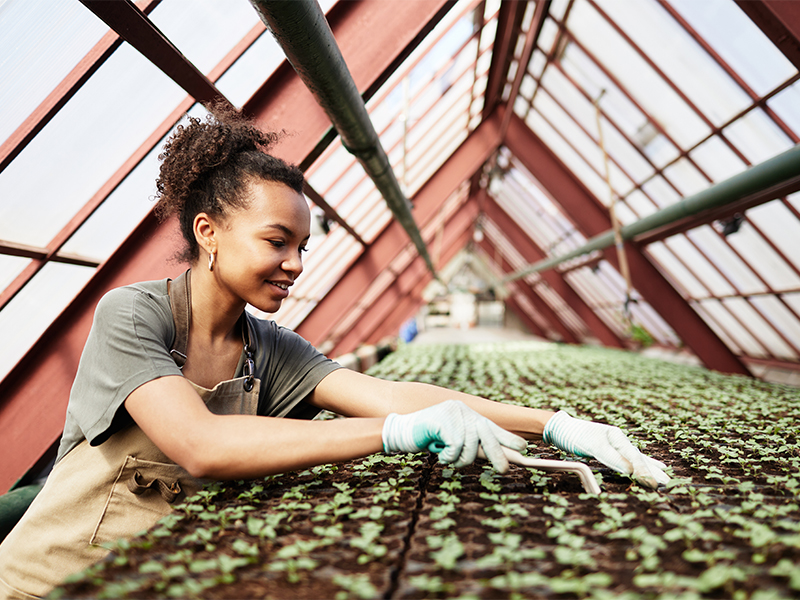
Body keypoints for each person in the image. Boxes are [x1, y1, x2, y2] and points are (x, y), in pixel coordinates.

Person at [0, 108, 668, 599]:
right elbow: (200, 443)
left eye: (301, 248)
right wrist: (396, 436)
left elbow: (389, 396)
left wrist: (551, 423)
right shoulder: (133, 315)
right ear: (208, 231)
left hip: (151, 577)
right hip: (48, 582)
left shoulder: (269, 349)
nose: (293, 264)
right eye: (276, 242)